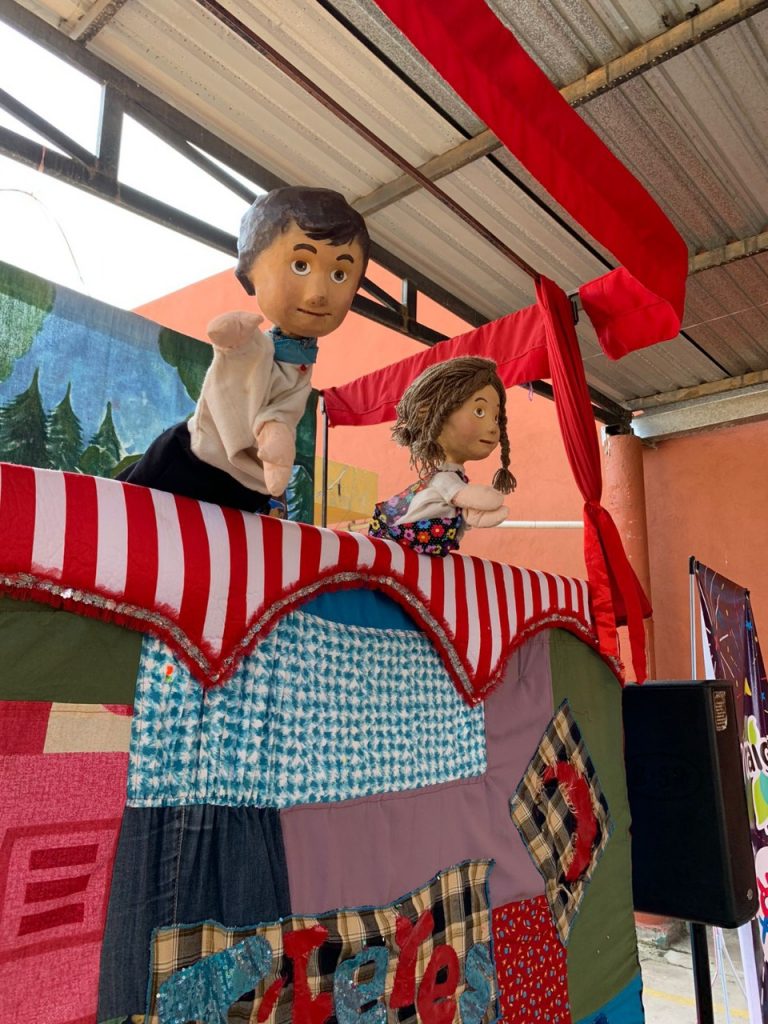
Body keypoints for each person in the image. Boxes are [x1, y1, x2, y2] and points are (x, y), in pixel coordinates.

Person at [119, 186, 369, 512]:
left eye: (339, 274)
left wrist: (276, 438)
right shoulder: (258, 346)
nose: (319, 293)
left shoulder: (300, 366)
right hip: (193, 457)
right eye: (300, 265)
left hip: (246, 485)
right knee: (118, 509)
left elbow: (284, 409)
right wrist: (232, 340)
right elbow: (235, 352)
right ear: (249, 271)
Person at [369, 357, 515, 556]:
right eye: (479, 411)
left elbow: (458, 504)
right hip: (401, 552)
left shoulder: (456, 479)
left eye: (496, 417)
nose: (492, 427)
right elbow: (462, 495)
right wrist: (481, 500)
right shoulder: (443, 479)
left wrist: (469, 518)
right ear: (433, 414)